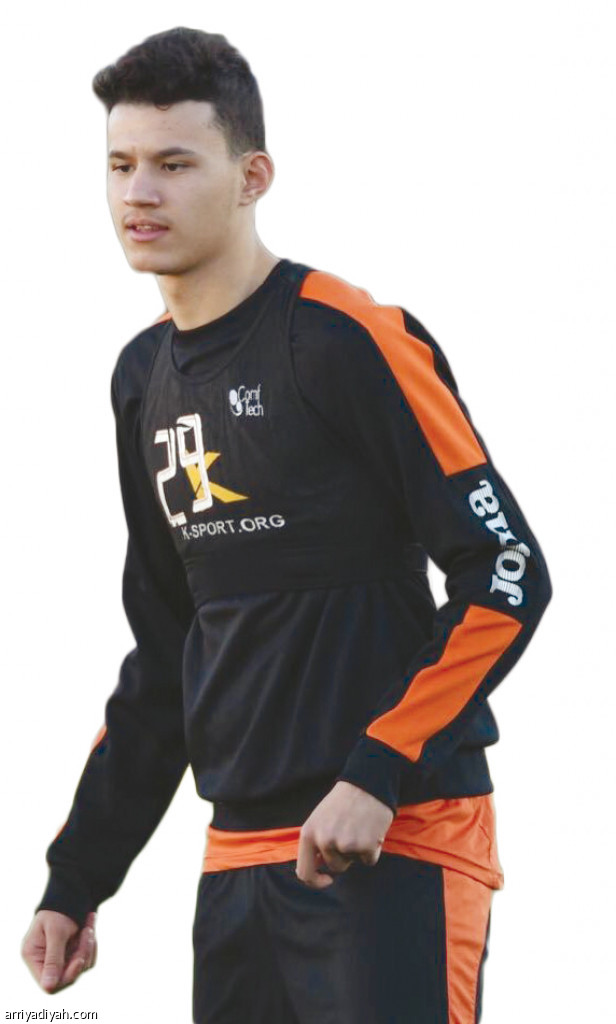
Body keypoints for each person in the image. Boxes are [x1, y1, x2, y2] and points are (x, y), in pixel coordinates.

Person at [21, 26, 552, 1023]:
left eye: (175, 163)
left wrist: (377, 769)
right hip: (236, 863)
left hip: (394, 837)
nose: (140, 193)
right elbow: (169, 652)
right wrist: (77, 877)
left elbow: (507, 571)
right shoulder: (142, 379)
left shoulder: (346, 336)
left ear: (252, 176)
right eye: (121, 166)